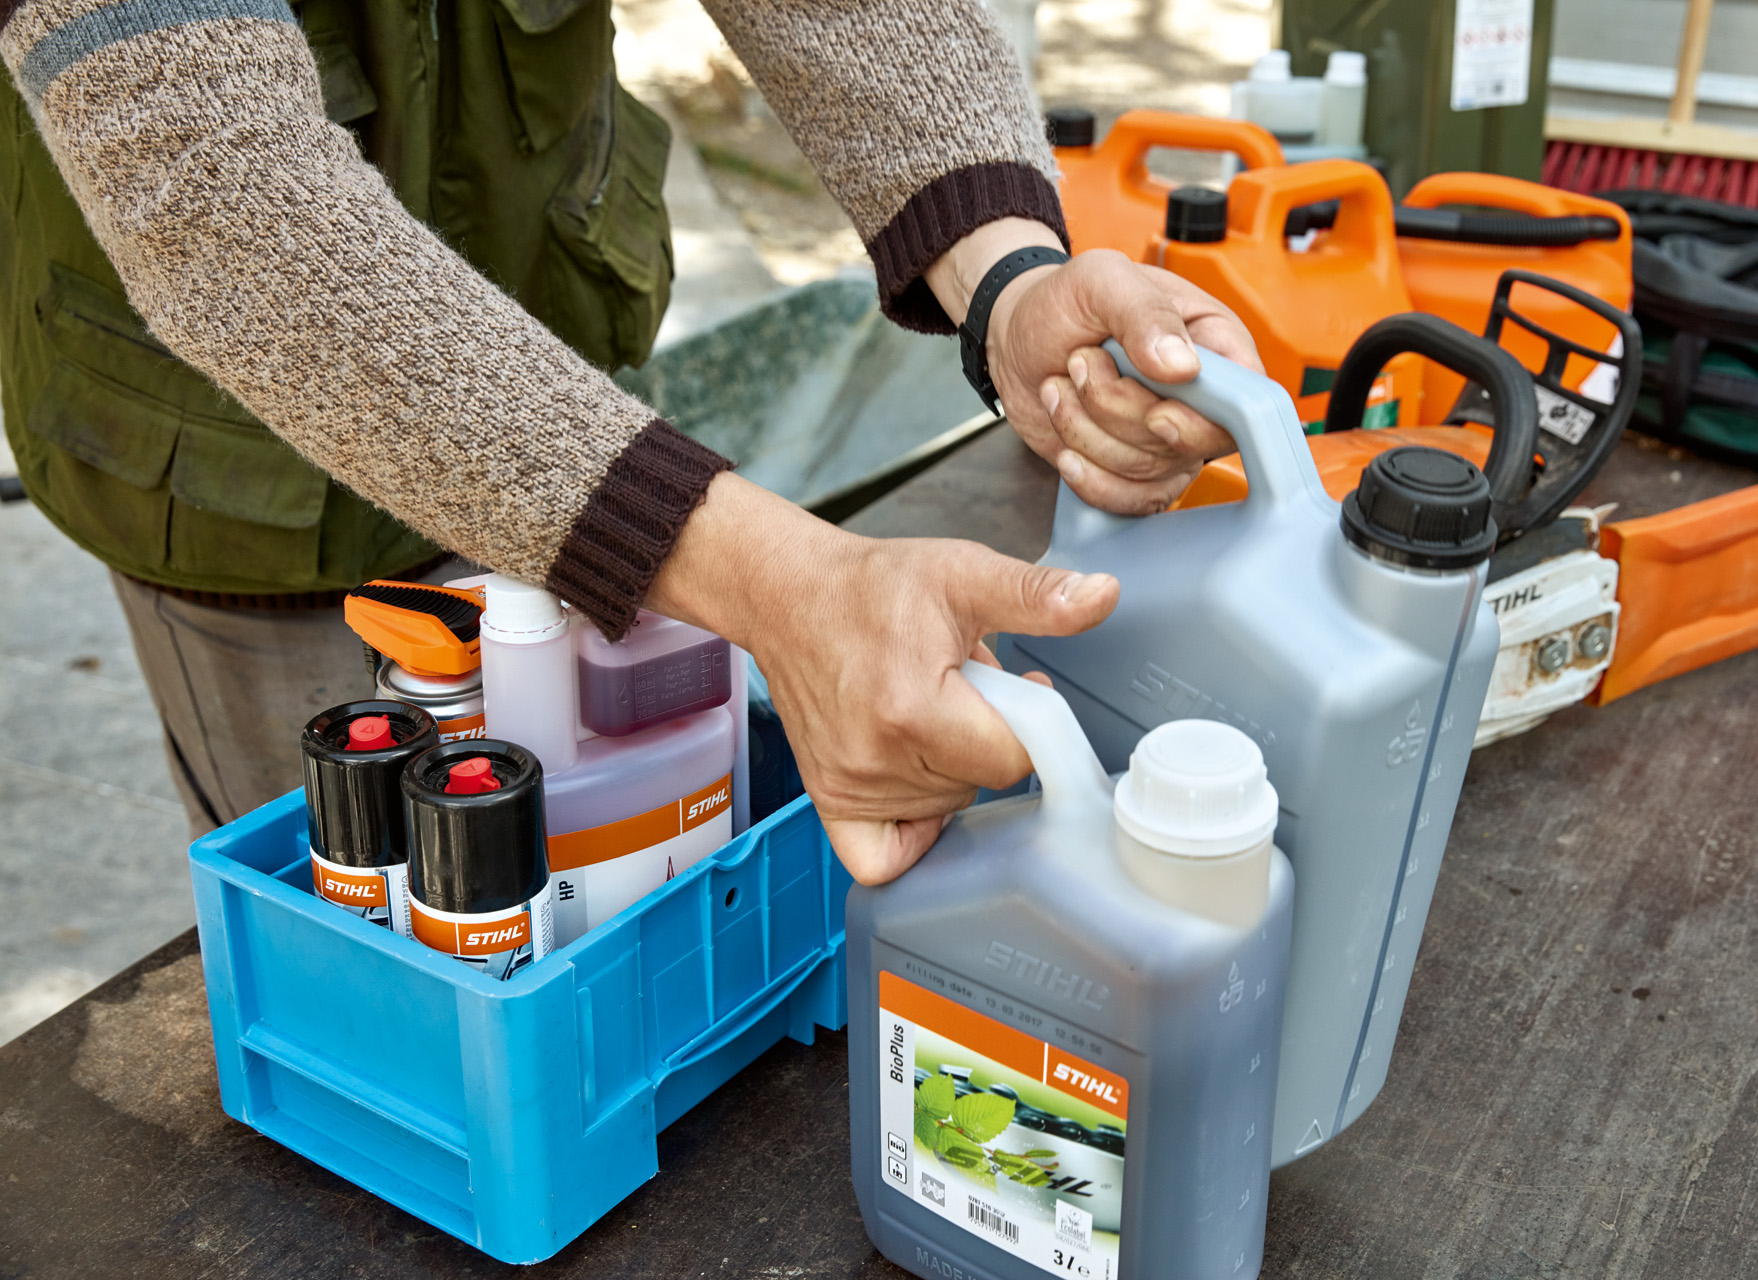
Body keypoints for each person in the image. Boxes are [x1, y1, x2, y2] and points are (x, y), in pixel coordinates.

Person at [0, 0, 1258, 883]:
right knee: (378, 909)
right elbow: (222, 193)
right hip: (248, 480)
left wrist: (1007, 279)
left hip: (575, 400)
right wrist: (781, 580)